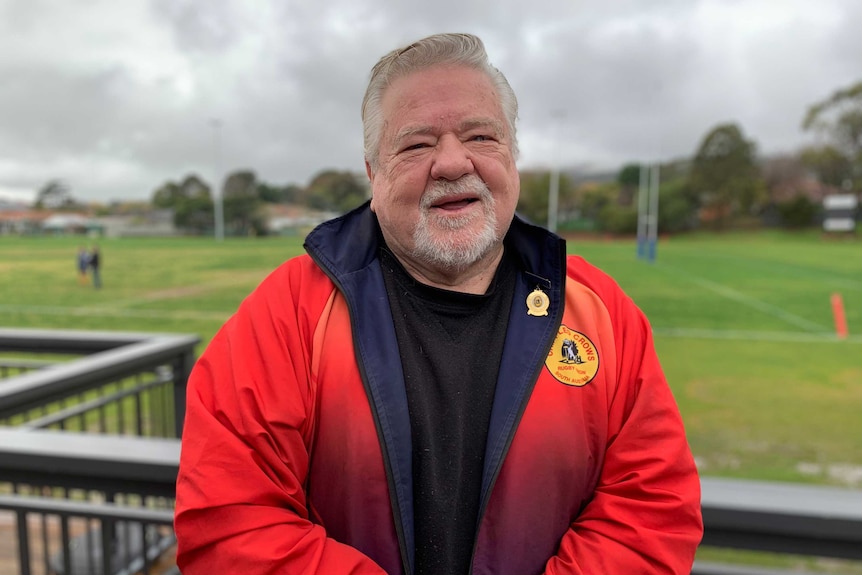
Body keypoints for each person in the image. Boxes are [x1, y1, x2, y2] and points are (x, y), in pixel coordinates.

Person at [174, 33, 703, 575]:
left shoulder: (603, 315)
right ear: (373, 175)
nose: (452, 162)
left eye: (480, 135)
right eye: (416, 144)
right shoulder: (287, 314)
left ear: (513, 158)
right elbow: (230, 522)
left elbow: (651, 510)